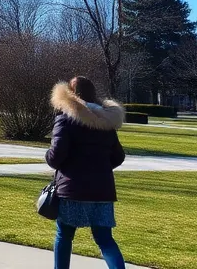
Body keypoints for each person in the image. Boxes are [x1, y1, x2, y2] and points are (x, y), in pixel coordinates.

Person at [45, 76, 127, 269]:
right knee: (105, 240)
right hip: (103, 191)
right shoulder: (106, 123)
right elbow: (119, 156)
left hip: (72, 190)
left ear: (71, 95)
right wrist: (100, 169)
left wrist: (48, 155)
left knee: (64, 236)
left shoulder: (65, 119)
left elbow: (56, 157)